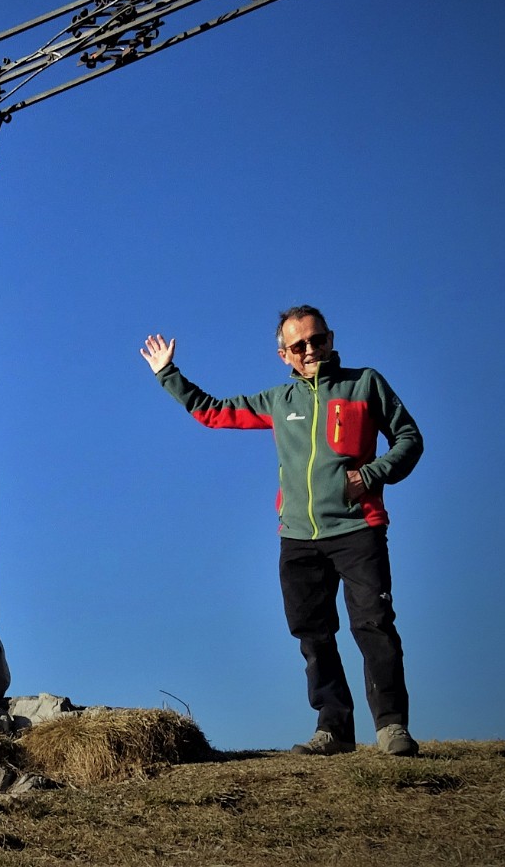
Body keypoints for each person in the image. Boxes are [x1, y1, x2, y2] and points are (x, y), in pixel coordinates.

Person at [139, 305, 423, 757]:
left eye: (318, 340)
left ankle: (392, 728)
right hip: (298, 537)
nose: (311, 350)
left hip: (358, 529)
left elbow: (409, 438)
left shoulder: (365, 383)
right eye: (299, 345)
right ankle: (334, 729)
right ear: (283, 354)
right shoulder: (278, 401)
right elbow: (212, 412)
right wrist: (167, 372)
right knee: (313, 635)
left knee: (374, 626)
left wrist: (371, 476)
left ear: (331, 339)